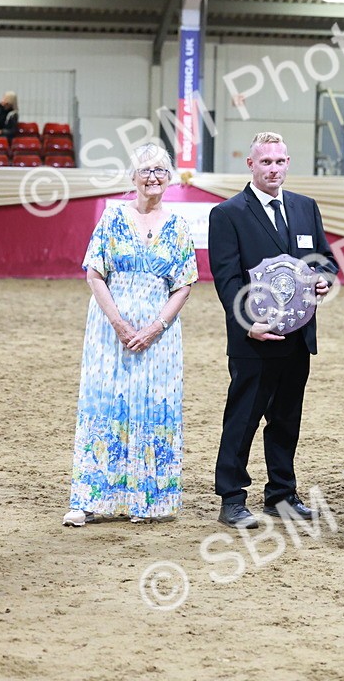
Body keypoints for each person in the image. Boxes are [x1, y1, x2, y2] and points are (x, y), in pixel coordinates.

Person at [208, 132, 337, 529]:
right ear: (250, 165)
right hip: (255, 340)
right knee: (243, 418)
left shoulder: (305, 207)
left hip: (298, 338)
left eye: (280, 161)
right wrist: (249, 324)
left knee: (286, 419)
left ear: (288, 162)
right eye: (266, 162)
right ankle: (231, 498)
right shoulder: (228, 213)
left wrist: (323, 279)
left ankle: (281, 494)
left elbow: (326, 261)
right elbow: (225, 279)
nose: (274, 169)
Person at [64, 143, 198, 526]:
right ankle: (90, 500)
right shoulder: (111, 219)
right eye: (145, 170)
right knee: (105, 405)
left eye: (160, 170)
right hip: (110, 333)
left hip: (161, 336)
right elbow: (95, 274)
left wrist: (156, 327)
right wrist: (120, 324)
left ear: (170, 177)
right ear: (132, 177)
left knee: (154, 407)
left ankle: (147, 500)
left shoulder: (179, 226)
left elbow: (184, 285)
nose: (153, 176)